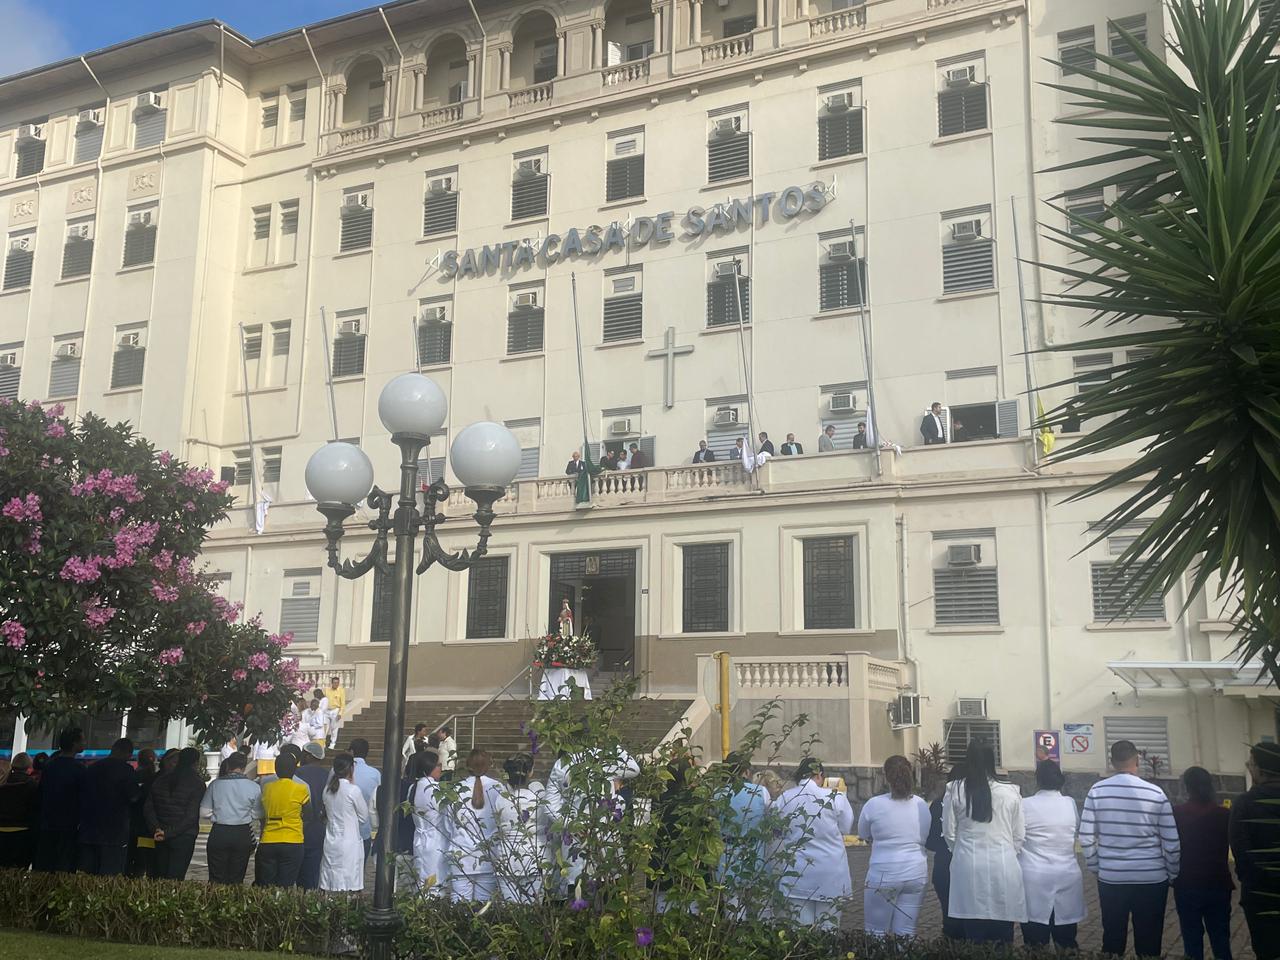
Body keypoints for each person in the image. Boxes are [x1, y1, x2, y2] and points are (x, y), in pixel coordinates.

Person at [1080, 739, 1180, 959]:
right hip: (1151, 878)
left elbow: (1086, 837)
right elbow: (1172, 842)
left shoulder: (1097, 791)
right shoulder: (1156, 793)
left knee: (1112, 940)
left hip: (1112, 878)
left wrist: (1097, 868)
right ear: (1137, 760)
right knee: (1149, 942)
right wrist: (1172, 873)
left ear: (1112, 762)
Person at [943, 740, 1026, 943]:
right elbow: (1019, 835)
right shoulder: (1011, 791)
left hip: (968, 864)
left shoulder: (955, 789)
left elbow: (949, 833)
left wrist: (961, 851)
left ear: (968, 759)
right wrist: (1007, 851)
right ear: (992, 760)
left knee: (973, 931)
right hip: (1003, 863)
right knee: (1003, 931)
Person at [774, 758, 853, 930]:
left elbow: (776, 830)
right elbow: (846, 828)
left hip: (797, 872)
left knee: (800, 931)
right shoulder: (835, 797)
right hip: (831, 872)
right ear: (819, 775)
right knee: (828, 930)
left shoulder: (785, 798)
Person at [857, 755, 931, 937]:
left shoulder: (873, 805)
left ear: (886, 777)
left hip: (883, 873)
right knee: (906, 933)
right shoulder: (921, 804)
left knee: (876, 932)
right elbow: (926, 833)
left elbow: (863, 834)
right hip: (916, 872)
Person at [1020, 760, 1086, 949]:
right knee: (1066, 940)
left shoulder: (1025, 804)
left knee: (1034, 943)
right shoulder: (1069, 803)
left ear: (1037, 780)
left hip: (1034, 878)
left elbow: (1017, 838)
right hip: (1067, 875)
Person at [1174, 765, 1233, 960]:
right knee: (1221, 940)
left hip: (1187, 883)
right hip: (1218, 883)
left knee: (1191, 941)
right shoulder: (1224, 814)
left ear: (1186, 787)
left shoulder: (1177, 813)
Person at [443, 749, 515, 902]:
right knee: (484, 903)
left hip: (461, 854)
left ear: (467, 765)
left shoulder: (456, 789)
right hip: (488, 854)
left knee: (458, 903)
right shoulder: (498, 788)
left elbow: (448, 823)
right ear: (489, 765)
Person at [1232, 742, 1280, 960]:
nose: (1248, 767)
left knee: (1267, 951)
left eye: (1250, 763)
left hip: (1260, 895)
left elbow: (1241, 852)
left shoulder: (1245, 803)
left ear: (1260, 769)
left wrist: (1254, 882)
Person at [717, 752, 770, 910]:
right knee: (758, 906)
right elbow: (770, 818)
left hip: (726, 854)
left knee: (731, 906)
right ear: (746, 772)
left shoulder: (718, 793)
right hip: (755, 853)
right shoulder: (760, 791)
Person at [201, 751, 263, 885]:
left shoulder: (215, 785)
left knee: (216, 877)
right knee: (237, 877)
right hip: (242, 832)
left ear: (228, 764)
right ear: (244, 766)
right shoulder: (254, 787)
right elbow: (258, 814)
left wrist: (219, 814)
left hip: (219, 831)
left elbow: (204, 812)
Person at [78, 737, 138, 876]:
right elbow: (134, 796)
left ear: (113, 749)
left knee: (87, 875)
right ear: (128, 754)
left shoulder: (93, 768)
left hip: (89, 829)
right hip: (114, 831)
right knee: (110, 875)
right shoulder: (126, 770)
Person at [145, 746, 206, 880]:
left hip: (160, 832)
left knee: (160, 875)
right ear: (196, 763)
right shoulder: (197, 783)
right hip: (183, 835)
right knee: (175, 878)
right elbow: (191, 816)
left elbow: (149, 808)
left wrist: (157, 828)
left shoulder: (161, 779)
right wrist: (168, 833)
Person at [32, 728, 86, 873]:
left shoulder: (49, 767)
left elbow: (40, 794)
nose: (85, 743)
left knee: (45, 868)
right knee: (64, 869)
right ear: (74, 743)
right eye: (82, 740)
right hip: (69, 827)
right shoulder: (80, 769)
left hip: (47, 825)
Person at [256, 750, 310, 887]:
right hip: (292, 839)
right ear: (294, 769)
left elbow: (260, 813)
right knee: (286, 884)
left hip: (268, 839)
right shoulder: (301, 789)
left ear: (276, 769)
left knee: (267, 885)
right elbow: (308, 814)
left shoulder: (267, 788)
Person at [320, 752, 370, 892]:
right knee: (350, 882)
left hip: (331, 840)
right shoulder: (353, 790)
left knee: (330, 879)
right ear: (351, 769)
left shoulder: (327, 790)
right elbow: (364, 817)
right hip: (349, 842)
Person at [927, 764, 965, 940]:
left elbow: (930, 841)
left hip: (943, 866)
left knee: (948, 912)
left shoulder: (937, 804)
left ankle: (949, 941)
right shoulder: (974, 804)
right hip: (967, 864)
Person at [500, 753, 544, 904]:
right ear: (530, 772)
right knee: (534, 908)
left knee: (509, 908)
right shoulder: (539, 799)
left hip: (506, 857)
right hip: (534, 856)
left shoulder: (501, 798)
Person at [294, 742, 330, 890]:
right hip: (318, 828)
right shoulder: (327, 775)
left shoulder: (297, 773)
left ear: (308, 756)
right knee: (312, 871)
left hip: (298, 827)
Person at [409, 750, 446, 892]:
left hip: (419, 839)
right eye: (438, 765)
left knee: (421, 882)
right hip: (435, 839)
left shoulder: (414, 787)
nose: (441, 768)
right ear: (430, 767)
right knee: (434, 884)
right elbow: (446, 816)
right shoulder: (435, 789)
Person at [0, 752, 39, 869]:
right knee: (18, 870)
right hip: (22, 833)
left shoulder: (3, 781)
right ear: (29, 766)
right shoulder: (31, 784)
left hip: (2, 831)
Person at [127, 748, 158, 877]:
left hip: (133, 823)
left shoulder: (134, 775)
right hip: (147, 826)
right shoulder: (155, 778)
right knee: (144, 858)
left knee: (131, 857)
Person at [349, 737, 381, 858]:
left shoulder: (337, 771)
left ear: (352, 752)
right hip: (365, 828)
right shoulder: (375, 773)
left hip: (342, 830)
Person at [325, 676, 347, 749]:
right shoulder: (327, 690)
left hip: (335, 710)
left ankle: (332, 743)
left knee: (334, 728)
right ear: (331, 683)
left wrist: (340, 713)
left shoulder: (341, 691)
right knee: (325, 727)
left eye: (337, 683)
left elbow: (343, 703)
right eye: (334, 683)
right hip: (326, 711)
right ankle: (323, 742)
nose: (336, 684)